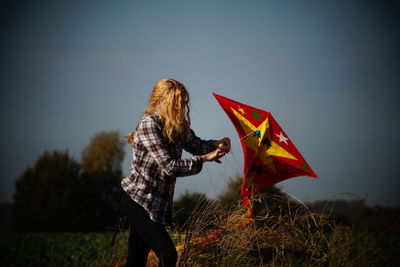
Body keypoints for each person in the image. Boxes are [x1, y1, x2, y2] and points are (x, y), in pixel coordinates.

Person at [120, 78, 231, 267]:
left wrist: (215, 144)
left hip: (156, 204)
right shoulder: (149, 125)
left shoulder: (177, 126)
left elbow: (197, 145)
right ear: (161, 101)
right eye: (176, 104)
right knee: (168, 256)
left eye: (183, 104)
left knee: (135, 263)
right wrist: (205, 158)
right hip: (138, 201)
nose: (180, 108)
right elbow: (170, 166)